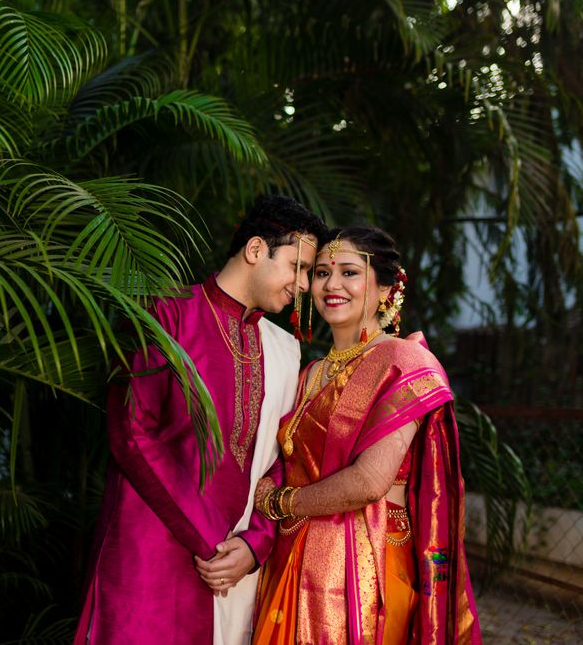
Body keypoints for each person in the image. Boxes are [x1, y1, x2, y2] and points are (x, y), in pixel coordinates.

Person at [73, 195, 327, 645]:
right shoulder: (165, 314)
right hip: (150, 550)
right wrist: (211, 538)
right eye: (298, 266)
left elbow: (282, 459)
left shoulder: (286, 350)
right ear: (255, 250)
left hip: (238, 569)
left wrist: (256, 544)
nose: (304, 285)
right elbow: (131, 431)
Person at [251, 226, 482, 644]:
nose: (331, 284)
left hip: (364, 566)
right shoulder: (310, 372)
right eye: (321, 272)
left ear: (386, 289)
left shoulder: (403, 361)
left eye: (350, 272)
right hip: (291, 557)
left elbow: (369, 481)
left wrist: (277, 501)